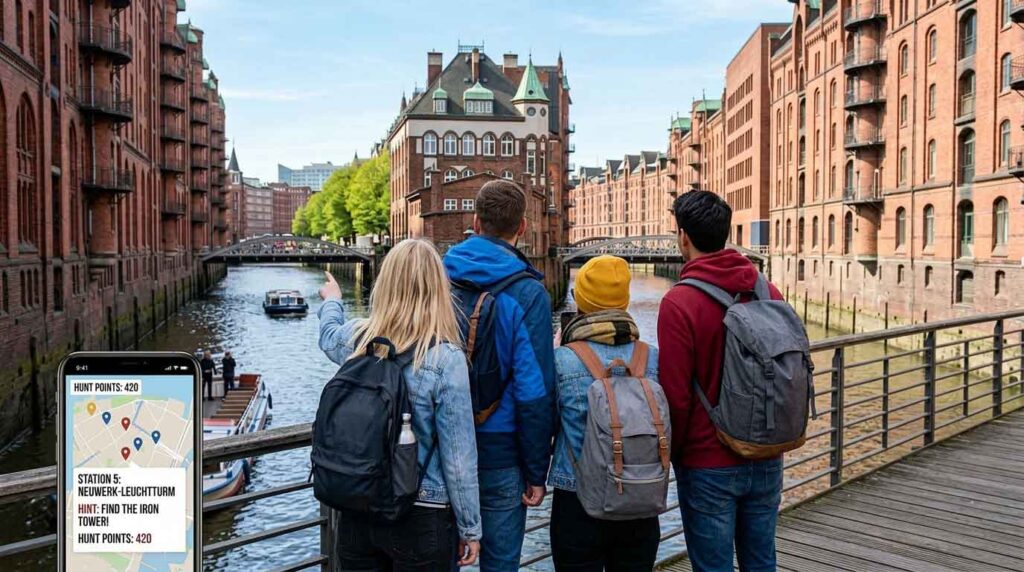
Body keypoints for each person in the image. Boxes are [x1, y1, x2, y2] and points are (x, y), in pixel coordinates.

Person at [318, 239, 481, 569]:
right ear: (438, 290)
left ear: (385, 284)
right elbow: (458, 458)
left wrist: (333, 301)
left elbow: (327, 335)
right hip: (422, 513)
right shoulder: (446, 359)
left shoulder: (359, 340)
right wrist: (470, 527)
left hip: (359, 506)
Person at [657, 190, 785, 572]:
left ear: (683, 236)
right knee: (761, 560)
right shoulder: (767, 290)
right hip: (766, 451)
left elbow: (677, 397)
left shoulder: (680, 303)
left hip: (706, 460)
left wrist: (671, 456)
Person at [443, 180, 557, 571]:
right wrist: (536, 469)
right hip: (500, 451)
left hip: (436, 448)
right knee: (501, 562)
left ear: (475, 222)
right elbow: (535, 392)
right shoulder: (527, 294)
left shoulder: (436, 281)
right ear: (521, 228)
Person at [549, 255, 662, 571]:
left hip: (577, 499)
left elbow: (543, 423)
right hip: (639, 496)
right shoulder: (650, 358)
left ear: (580, 299)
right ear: (624, 300)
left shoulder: (563, 361)